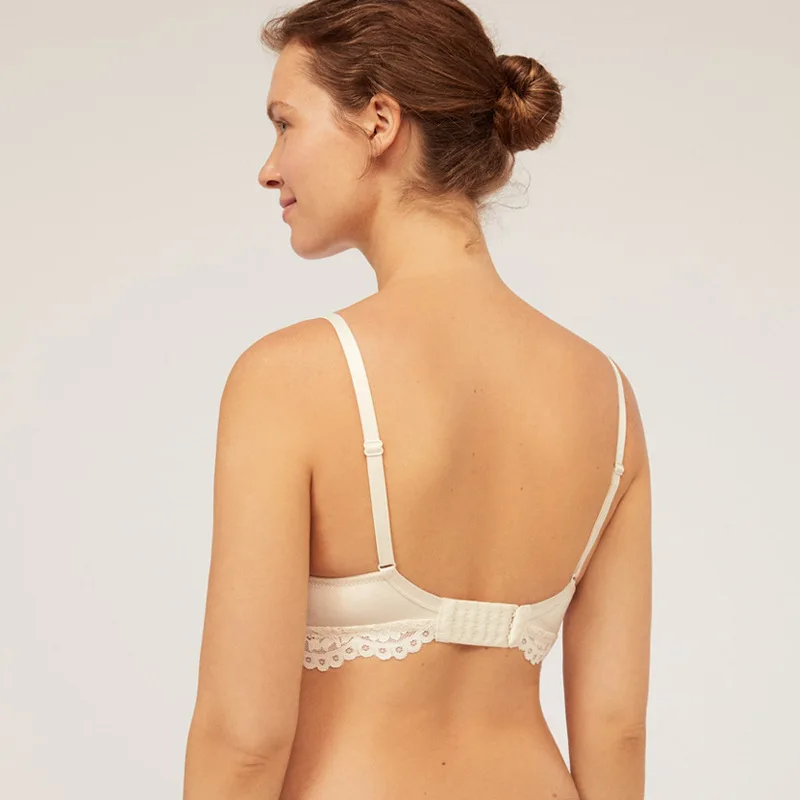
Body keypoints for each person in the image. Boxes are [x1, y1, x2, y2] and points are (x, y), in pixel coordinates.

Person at [183, 1, 652, 798]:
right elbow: (616, 731)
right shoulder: (606, 395)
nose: (269, 167)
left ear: (379, 122)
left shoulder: (291, 378)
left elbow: (245, 736)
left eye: (285, 125)